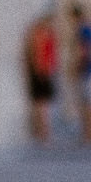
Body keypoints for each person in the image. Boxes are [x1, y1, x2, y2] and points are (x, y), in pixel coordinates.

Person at [24, 13, 58, 144]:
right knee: (43, 104)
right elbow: (39, 56)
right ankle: (44, 132)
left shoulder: (36, 35)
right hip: (42, 72)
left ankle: (40, 131)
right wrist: (42, 71)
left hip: (39, 72)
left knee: (39, 103)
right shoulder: (42, 35)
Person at [71, 5, 91, 146]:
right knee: (90, 102)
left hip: (87, 70)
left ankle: (90, 133)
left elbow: (85, 50)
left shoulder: (83, 29)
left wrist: (78, 66)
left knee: (88, 103)